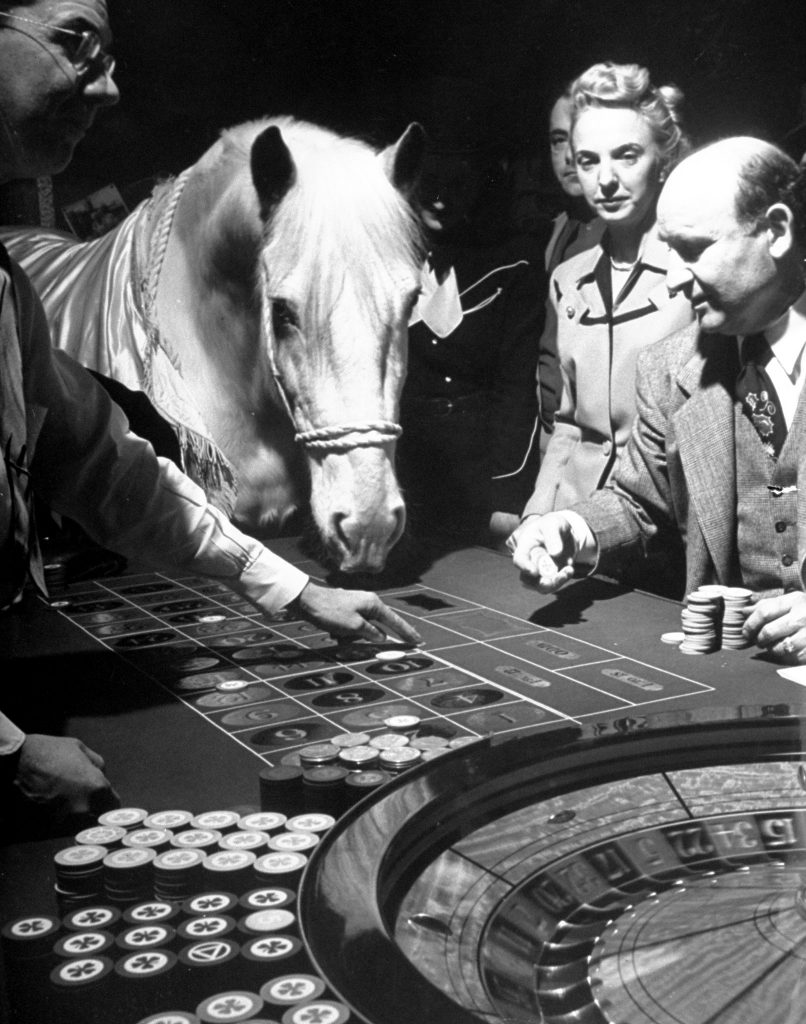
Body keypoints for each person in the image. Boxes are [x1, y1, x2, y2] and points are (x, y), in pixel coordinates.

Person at [0, 0, 422, 830]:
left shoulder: (7, 293)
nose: (111, 86)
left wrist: (297, 592)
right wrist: (7, 750)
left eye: (111, 52)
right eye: (73, 41)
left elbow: (108, 468)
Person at [510, 136, 806, 663]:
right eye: (668, 251)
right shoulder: (669, 366)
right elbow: (639, 501)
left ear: (777, 232)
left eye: (692, 250)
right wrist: (572, 528)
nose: (672, 280)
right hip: (734, 671)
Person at [528, 62, 695, 533]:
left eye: (626, 155)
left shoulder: (698, 275)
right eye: (588, 160)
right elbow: (566, 427)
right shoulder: (567, 278)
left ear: (662, 157)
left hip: (668, 530)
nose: (605, 180)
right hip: (576, 527)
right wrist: (539, 518)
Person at [396, 76, 543, 550]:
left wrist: (506, 495)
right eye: (429, 182)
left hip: (478, 479)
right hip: (401, 471)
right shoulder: (380, 257)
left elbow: (517, 387)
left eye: (457, 183)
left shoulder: (514, 261)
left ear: (480, 182)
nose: (441, 197)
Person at [543, 82, 603, 276]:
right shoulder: (552, 230)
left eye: (581, 136)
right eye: (559, 140)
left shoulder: (635, 230)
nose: (569, 154)